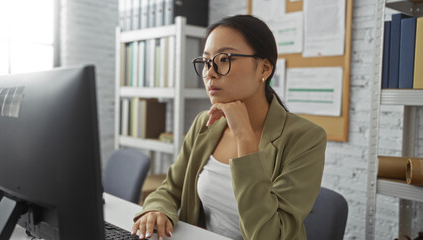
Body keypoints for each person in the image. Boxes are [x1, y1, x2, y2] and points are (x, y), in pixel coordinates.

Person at [131, 15, 327, 240]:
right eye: (206, 62)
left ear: (264, 69)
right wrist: (156, 209)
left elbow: (270, 235)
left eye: (224, 59)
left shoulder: (306, 138)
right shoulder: (204, 124)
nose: (210, 72)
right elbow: (170, 189)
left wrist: (244, 137)